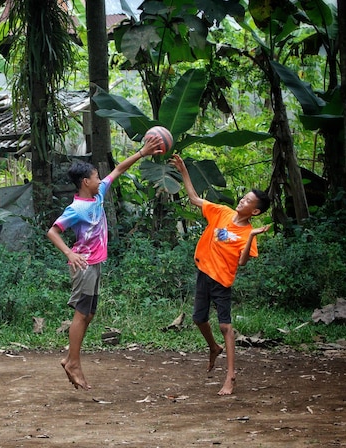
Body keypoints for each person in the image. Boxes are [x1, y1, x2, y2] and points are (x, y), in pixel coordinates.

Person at [47, 137, 164, 390]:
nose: (101, 179)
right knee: (81, 313)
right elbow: (53, 232)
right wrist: (69, 253)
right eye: (96, 176)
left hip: (95, 263)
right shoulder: (76, 208)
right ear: (85, 182)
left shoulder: (98, 193)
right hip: (84, 265)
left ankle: (70, 358)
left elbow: (119, 169)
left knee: (89, 314)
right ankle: (74, 363)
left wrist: (142, 153)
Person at [169, 154, 271, 395]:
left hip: (222, 281)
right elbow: (194, 198)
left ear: (254, 212)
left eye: (248, 201)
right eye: (244, 197)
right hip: (203, 272)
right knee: (198, 318)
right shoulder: (222, 212)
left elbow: (243, 261)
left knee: (225, 326)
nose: (243, 201)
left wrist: (253, 236)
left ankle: (231, 377)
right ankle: (213, 347)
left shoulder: (248, 233)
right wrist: (184, 170)